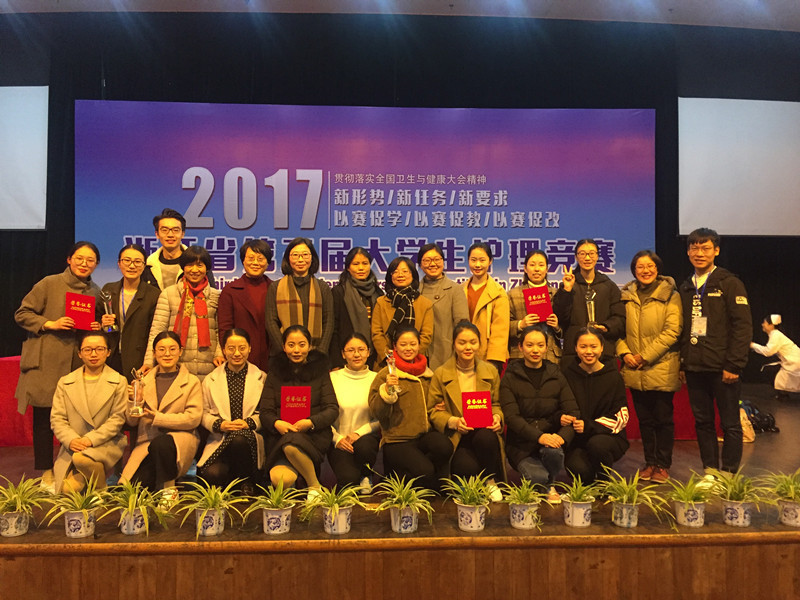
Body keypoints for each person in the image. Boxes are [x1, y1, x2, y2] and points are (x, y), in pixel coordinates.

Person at [15, 241, 103, 492]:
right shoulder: (49, 283)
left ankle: (71, 470)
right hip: (47, 362)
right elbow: (22, 314)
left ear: (96, 264)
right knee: (44, 419)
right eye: (79, 258)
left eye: (90, 260)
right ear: (69, 259)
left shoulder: (96, 292)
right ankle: (46, 473)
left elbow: (94, 326)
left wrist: (96, 326)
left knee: (76, 421)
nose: (84, 264)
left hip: (76, 364)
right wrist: (49, 323)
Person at [678, 228, 751, 475]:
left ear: (716, 251)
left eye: (705, 248)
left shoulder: (729, 283)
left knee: (730, 423)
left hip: (723, 368)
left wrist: (734, 365)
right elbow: (683, 328)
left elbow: (742, 327)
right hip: (694, 366)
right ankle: (710, 471)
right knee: (703, 422)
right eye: (694, 248)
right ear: (688, 252)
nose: (699, 253)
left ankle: (729, 472)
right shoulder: (686, 286)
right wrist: (683, 363)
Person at [617, 250, 682, 483]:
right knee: (644, 420)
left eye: (650, 266)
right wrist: (625, 353)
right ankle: (650, 463)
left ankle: (663, 465)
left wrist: (644, 356)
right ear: (634, 270)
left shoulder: (671, 295)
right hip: (634, 368)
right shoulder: (625, 296)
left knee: (663, 419)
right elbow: (618, 329)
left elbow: (673, 331)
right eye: (640, 267)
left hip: (661, 365)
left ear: (657, 268)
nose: (645, 271)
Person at [427, 321, 504, 501]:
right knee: (465, 468)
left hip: (484, 431)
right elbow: (432, 410)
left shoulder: (490, 371)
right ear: (454, 344)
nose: (468, 347)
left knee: (486, 438)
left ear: (479, 344)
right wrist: (453, 421)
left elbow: (497, 403)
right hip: (458, 435)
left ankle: (490, 481)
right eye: (462, 342)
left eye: (473, 342)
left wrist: (497, 417)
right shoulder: (441, 373)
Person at [369, 325, 452, 492]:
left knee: (444, 446)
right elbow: (376, 412)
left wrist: (440, 405)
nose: (408, 348)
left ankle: (427, 480)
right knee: (425, 471)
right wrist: (387, 392)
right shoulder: (386, 374)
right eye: (403, 344)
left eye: (413, 344)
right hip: (397, 440)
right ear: (395, 346)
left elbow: (434, 403)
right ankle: (399, 480)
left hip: (423, 436)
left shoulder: (428, 374)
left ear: (419, 345)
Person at [500, 325, 579, 498]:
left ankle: (549, 483)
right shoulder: (510, 377)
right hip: (521, 445)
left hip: (550, 441)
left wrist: (562, 437)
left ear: (546, 347)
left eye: (540, 345)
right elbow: (511, 417)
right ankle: (547, 484)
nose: (535, 350)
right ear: (520, 347)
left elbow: (573, 411)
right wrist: (539, 437)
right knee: (537, 477)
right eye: (529, 345)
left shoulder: (556, 374)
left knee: (554, 453)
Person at [260, 325, 339, 495]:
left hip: (312, 435)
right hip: (280, 436)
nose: (296, 350)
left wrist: (310, 422)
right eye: (291, 345)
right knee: (280, 479)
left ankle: (313, 486)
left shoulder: (320, 372)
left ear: (310, 346)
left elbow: (332, 409)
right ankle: (312, 483)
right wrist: (277, 423)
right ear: (284, 347)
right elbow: (265, 411)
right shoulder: (274, 374)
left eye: (302, 345)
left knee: (291, 446)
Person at [121, 331, 203, 493]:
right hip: (147, 443)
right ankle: (159, 485)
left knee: (162, 444)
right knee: (130, 491)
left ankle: (169, 489)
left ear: (180, 351)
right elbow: (131, 422)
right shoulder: (143, 382)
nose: (167, 354)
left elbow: (193, 418)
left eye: (172, 349)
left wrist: (158, 418)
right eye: (161, 349)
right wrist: (135, 401)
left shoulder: (192, 382)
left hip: (180, 440)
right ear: (154, 353)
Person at [50, 331, 128, 493]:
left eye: (99, 349)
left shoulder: (119, 381)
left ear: (108, 352)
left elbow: (117, 419)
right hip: (74, 445)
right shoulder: (65, 382)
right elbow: (57, 418)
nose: (93, 354)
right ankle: (96, 484)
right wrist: (71, 439)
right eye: (88, 350)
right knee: (68, 491)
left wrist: (90, 440)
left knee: (82, 460)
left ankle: (99, 491)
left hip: (106, 442)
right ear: (80, 353)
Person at [197, 329, 267, 493]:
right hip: (221, 438)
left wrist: (249, 423)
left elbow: (267, 411)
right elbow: (203, 412)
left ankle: (246, 482)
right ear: (223, 350)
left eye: (242, 348)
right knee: (212, 474)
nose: (236, 353)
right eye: (231, 348)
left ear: (250, 348)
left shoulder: (262, 377)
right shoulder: (211, 379)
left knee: (239, 439)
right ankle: (233, 482)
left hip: (248, 440)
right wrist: (219, 424)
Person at [144, 245, 223, 381]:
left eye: (200, 265)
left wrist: (219, 354)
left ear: (207, 269)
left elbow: (219, 330)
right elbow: (157, 330)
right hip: (176, 365)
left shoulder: (217, 296)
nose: (194, 270)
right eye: (190, 265)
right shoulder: (168, 294)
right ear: (183, 267)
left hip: (210, 366)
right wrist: (149, 362)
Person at [563, 328, 629, 483]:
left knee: (597, 445)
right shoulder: (567, 375)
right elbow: (559, 406)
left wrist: (589, 426)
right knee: (580, 472)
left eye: (593, 346)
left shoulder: (613, 377)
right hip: (577, 440)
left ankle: (604, 483)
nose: (588, 351)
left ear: (602, 348)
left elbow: (621, 416)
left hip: (608, 437)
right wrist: (562, 417)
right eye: (583, 346)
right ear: (575, 348)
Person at [553, 238, 625, 366]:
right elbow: (559, 317)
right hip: (573, 353)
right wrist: (567, 290)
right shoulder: (568, 285)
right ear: (576, 257)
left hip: (603, 352)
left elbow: (620, 318)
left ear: (597, 256)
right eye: (582, 254)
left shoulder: (609, 286)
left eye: (591, 253)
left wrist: (607, 326)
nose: (587, 258)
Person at [100, 244, 160, 381]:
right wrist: (102, 323)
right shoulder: (108, 289)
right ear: (119, 263)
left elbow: (155, 331)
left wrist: (150, 361)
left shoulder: (153, 294)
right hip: (110, 356)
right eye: (126, 260)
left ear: (144, 266)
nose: (132, 266)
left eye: (137, 262)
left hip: (139, 358)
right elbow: (96, 319)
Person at [329, 333, 380, 492]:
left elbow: (382, 417)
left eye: (361, 349)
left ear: (368, 352)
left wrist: (359, 433)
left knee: (365, 447)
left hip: (365, 439)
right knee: (348, 481)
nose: (356, 354)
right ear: (343, 354)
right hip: (338, 440)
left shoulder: (377, 378)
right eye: (351, 350)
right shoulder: (331, 378)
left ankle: (366, 474)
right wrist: (337, 439)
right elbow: (322, 414)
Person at [265, 237, 334, 355]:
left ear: (312, 258)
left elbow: (328, 322)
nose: (300, 259)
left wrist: (320, 351)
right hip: (283, 355)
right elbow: (271, 322)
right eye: (295, 255)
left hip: (316, 355)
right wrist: (284, 350)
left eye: (305, 255)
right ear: (288, 259)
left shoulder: (322, 287)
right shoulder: (275, 287)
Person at [217, 239, 274, 373]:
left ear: (267, 263)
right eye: (251, 258)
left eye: (260, 259)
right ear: (243, 260)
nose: (255, 263)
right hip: (239, 358)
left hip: (271, 359)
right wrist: (229, 353)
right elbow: (225, 328)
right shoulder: (230, 291)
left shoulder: (275, 289)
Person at [371, 257, 434, 365]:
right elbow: (377, 333)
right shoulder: (381, 302)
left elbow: (426, 335)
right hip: (387, 363)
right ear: (390, 276)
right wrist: (388, 356)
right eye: (395, 272)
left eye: (405, 271)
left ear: (413, 275)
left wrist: (411, 354)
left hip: (415, 362)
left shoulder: (425, 304)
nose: (400, 275)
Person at [418, 243, 469, 371]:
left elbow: (462, 326)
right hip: (418, 354)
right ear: (420, 265)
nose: (432, 264)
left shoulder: (455, 289)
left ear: (443, 262)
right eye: (427, 260)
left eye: (437, 259)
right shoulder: (414, 290)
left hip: (446, 354)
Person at [330, 247, 383, 369]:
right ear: (348, 267)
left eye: (365, 263)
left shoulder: (378, 293)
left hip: (373, 356)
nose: (361, 268)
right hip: (346, 357)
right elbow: (334, 329)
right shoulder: (339, 292)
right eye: (356, 264)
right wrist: (336, 361)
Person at [508, 249, 562, 365]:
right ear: (525, 268)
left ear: (546, 269)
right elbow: (502, 326)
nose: (537, 269)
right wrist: (520, 324)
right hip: (520, 355)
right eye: (532, 265)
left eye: (541, 265)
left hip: (550, 355)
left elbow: (567, 327)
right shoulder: (513, 294)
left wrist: (557, 326)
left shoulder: (557, 294)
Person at [462, 242, 510, 373]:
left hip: (487, 355)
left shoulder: (498, 293)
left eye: (482, 260)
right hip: (463, 353)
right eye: (473, 260)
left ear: (490, 261)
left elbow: (500, 332)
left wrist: (493, 361)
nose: (477, 265)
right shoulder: (460, 290)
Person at [750, 314, 800, 398]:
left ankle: (783, 392)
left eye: (764, 323)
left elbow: (768, 352)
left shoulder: (776, 335)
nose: (762, 324)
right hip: (792, 361)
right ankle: (783, 392)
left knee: (768, 370)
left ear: (771, 325)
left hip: (794, 363)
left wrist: (752, 345)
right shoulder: (776, 334)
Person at [141, 208, 187, 291]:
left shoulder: (196, 262)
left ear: (182, 234)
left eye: (175, 230)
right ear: (157, 234)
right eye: (164, 230)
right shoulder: (148, 265)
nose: (170, 235)